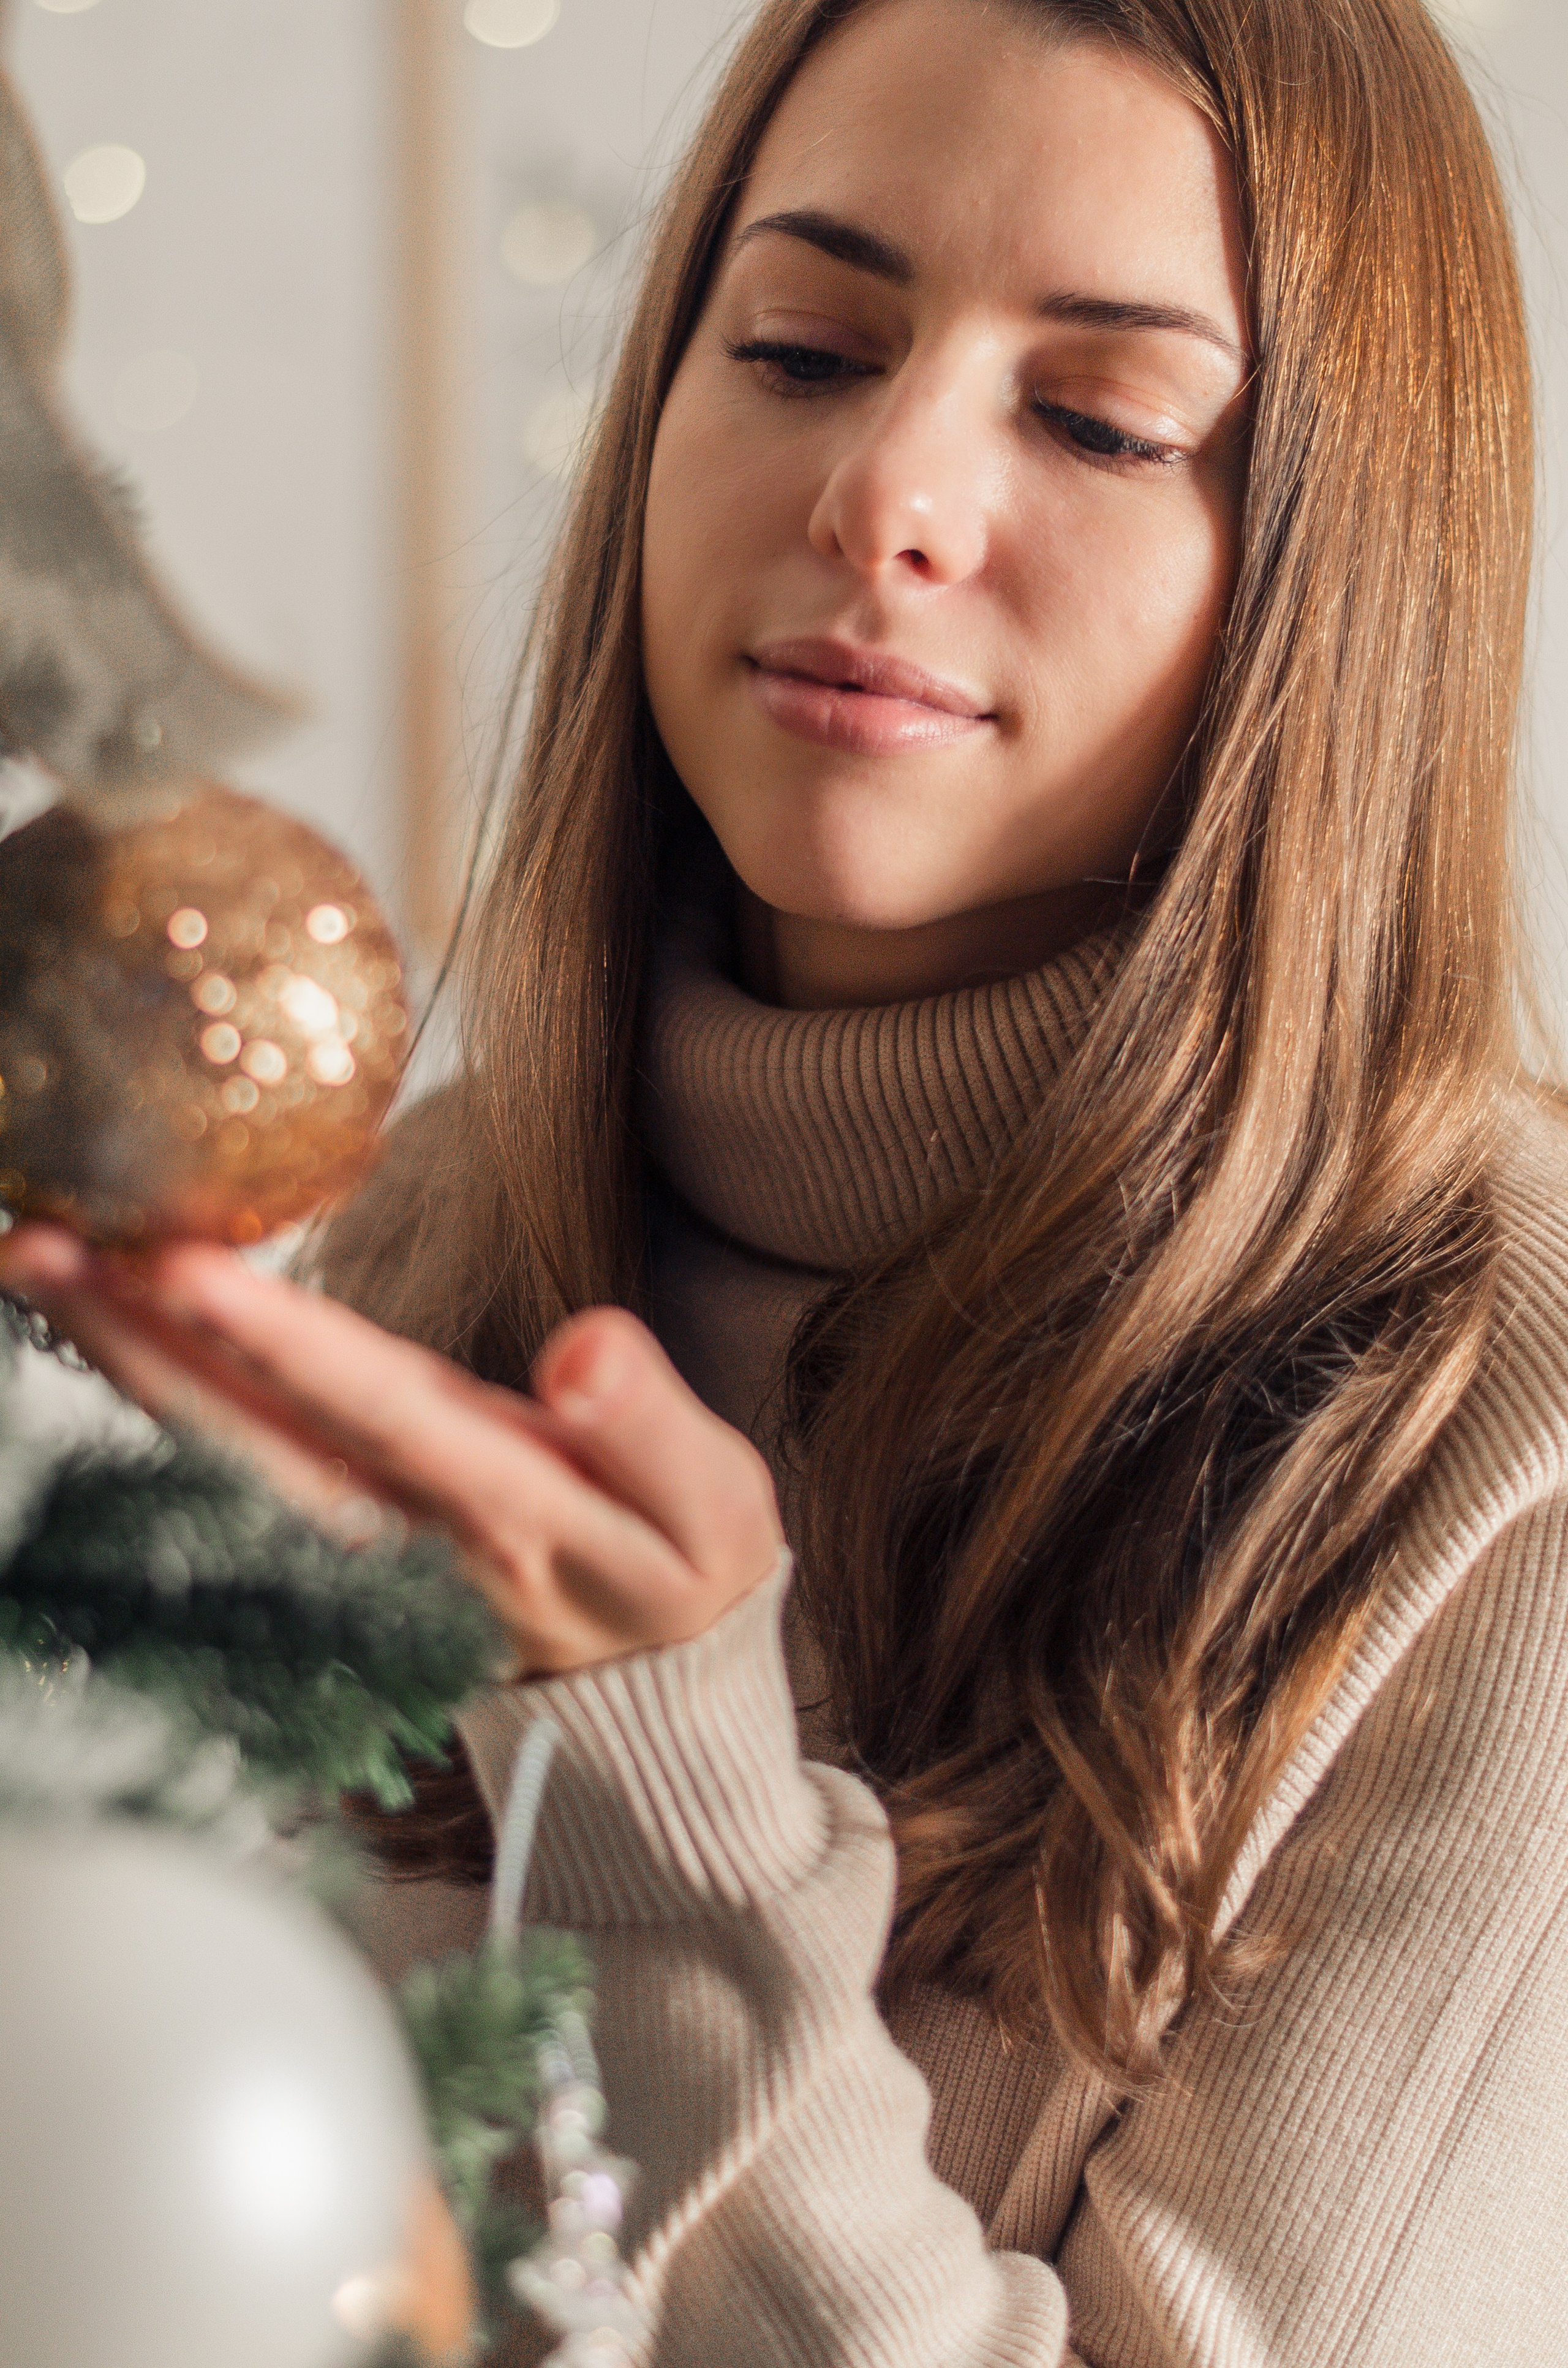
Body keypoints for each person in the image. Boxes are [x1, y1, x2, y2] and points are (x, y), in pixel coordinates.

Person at [7, 0, 1568, 2358]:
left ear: (1331, 576)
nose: (886, 496)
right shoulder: (442, 1227)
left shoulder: (1496, 1420)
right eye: (808, 349)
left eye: (1099, 418)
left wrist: (665, 1789)